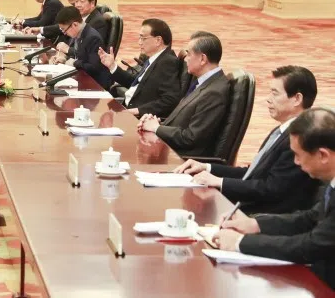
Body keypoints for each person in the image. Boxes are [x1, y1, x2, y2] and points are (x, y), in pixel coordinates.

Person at [215, 107, 335, 289]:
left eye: (297, 155)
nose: (295, 162)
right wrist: (255, 225)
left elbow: (312, 245)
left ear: (322, 155)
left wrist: (240, 243)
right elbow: (310, 218)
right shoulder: (329, 181)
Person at [175, 66, 320, 214]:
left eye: (275, 93)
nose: (268, 99)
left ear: (297, 99)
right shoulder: (281, 131)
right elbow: (253, 173)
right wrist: (207, 167)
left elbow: (271, 189)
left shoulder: (300, 139)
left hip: (262, 217)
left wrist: (219, 182)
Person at [137, 32, 229, 157]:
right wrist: (157, 124)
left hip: (180, 159)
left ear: (203, 59)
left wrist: (157, 129)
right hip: (168, 149)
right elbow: (183, 121)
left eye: (189, 54)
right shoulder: (203, 83)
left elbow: (192, 137)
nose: (186, 59)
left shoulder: (215, 92)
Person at [98, 18, 181, 117]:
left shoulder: (168, 62)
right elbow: (137, 84)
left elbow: (170, 100)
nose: (139, 42)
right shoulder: (155, 58)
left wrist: (137, 110)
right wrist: (112, 66)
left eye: (143, 38)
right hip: (126, 109)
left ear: (158, 40)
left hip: (137, 118)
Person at [48, 6, 112, 89]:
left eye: (64, 29)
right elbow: (77, 54)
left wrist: (73, 63)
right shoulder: (77, 33)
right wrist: (64, 59)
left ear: (74, 24)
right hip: (80, 77)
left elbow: (93, 67)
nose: (64, 33)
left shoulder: (92, 38)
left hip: (93, 85)